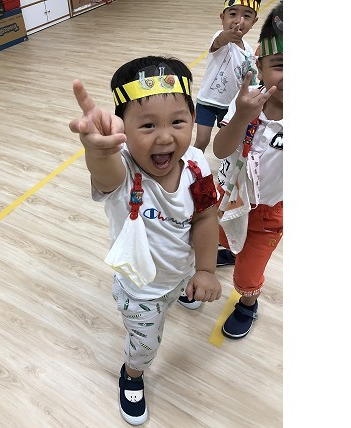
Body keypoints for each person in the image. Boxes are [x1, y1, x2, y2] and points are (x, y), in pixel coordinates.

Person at [69, 55, 222, 425]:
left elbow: (205, 216)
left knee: (183, 286)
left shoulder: (197, 164)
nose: (165, 136)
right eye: (148, 125)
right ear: (123, 127)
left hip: (180, 273)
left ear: (194, 118)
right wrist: (98, 150)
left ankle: (182, 291)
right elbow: (106, 175)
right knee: (145, 345)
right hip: (141, 290)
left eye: (178, 122)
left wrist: (204, 270)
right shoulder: (123, 168)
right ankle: (132, 373)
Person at [213, 1, 283, 340]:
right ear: (260, 65)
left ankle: (247, 303)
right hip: (229, 196)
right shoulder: (246, 100)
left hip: (268, 212)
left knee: (248, 275)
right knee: (223, 237)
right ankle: (230, 248)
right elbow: (220, 149)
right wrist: (241, 116)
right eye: (281, 65)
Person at [193, 0, 261, 154]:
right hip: (207, 101)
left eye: (246, 16)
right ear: (222, 17)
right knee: (202, 140)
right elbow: (220, 39)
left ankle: (226, 166)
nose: (238, 20)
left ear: (254, 22)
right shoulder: (220, 38)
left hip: (230, 105)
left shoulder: (248, 50)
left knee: (228, 141)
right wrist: (228, 35)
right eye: (233, 14)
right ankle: (194, 164)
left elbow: (249, 76)